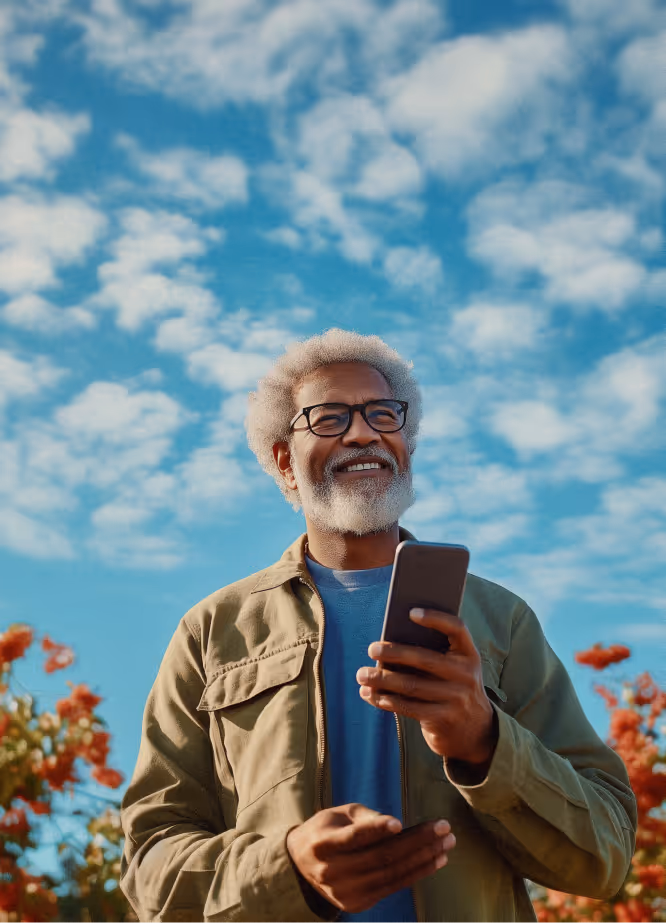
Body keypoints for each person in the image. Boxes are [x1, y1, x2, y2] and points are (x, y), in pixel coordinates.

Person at [119, 328, 637, 922]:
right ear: (284, 460)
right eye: (329, 417)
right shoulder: (212, 633)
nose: (364, 432)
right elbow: (149, 866)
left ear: (405, 445)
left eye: (382, 414)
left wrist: (485, 741)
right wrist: (286, 869)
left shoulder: (502, 621)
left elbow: (606, 855)